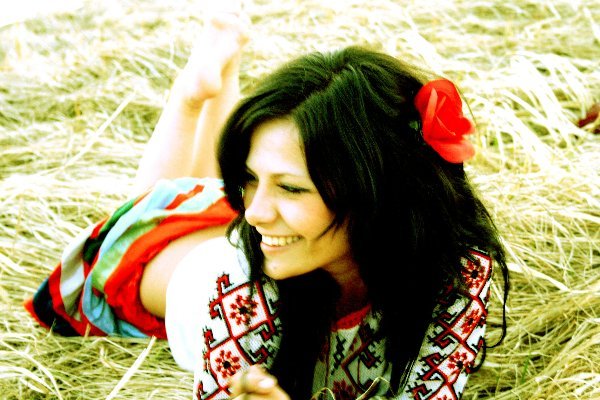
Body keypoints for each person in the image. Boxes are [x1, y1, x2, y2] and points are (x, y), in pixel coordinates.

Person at [25, 6, 509, 400]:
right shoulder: (241, 291)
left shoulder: (456, 268)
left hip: (287, 239)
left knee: (216, 197)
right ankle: (191, 95)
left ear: (381, 192)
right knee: (147, 213)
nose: (253, 210)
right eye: (250, 179)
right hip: (189, 268)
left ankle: (216, 79)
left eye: (291, 187)